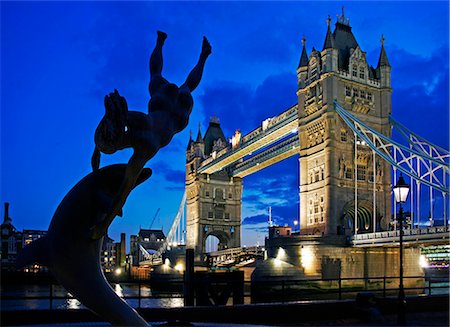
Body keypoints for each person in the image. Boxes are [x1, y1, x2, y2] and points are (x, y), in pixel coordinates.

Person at [89, 31, 211, 239]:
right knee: (162, 77)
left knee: (173, 81)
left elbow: (124, 191)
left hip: (168, 111)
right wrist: (96, 165)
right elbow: (102, 140)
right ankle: (170, 45)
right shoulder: (138, 124)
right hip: (168, 109)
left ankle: (191, 52)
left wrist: (103, 224)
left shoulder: (145, 145)